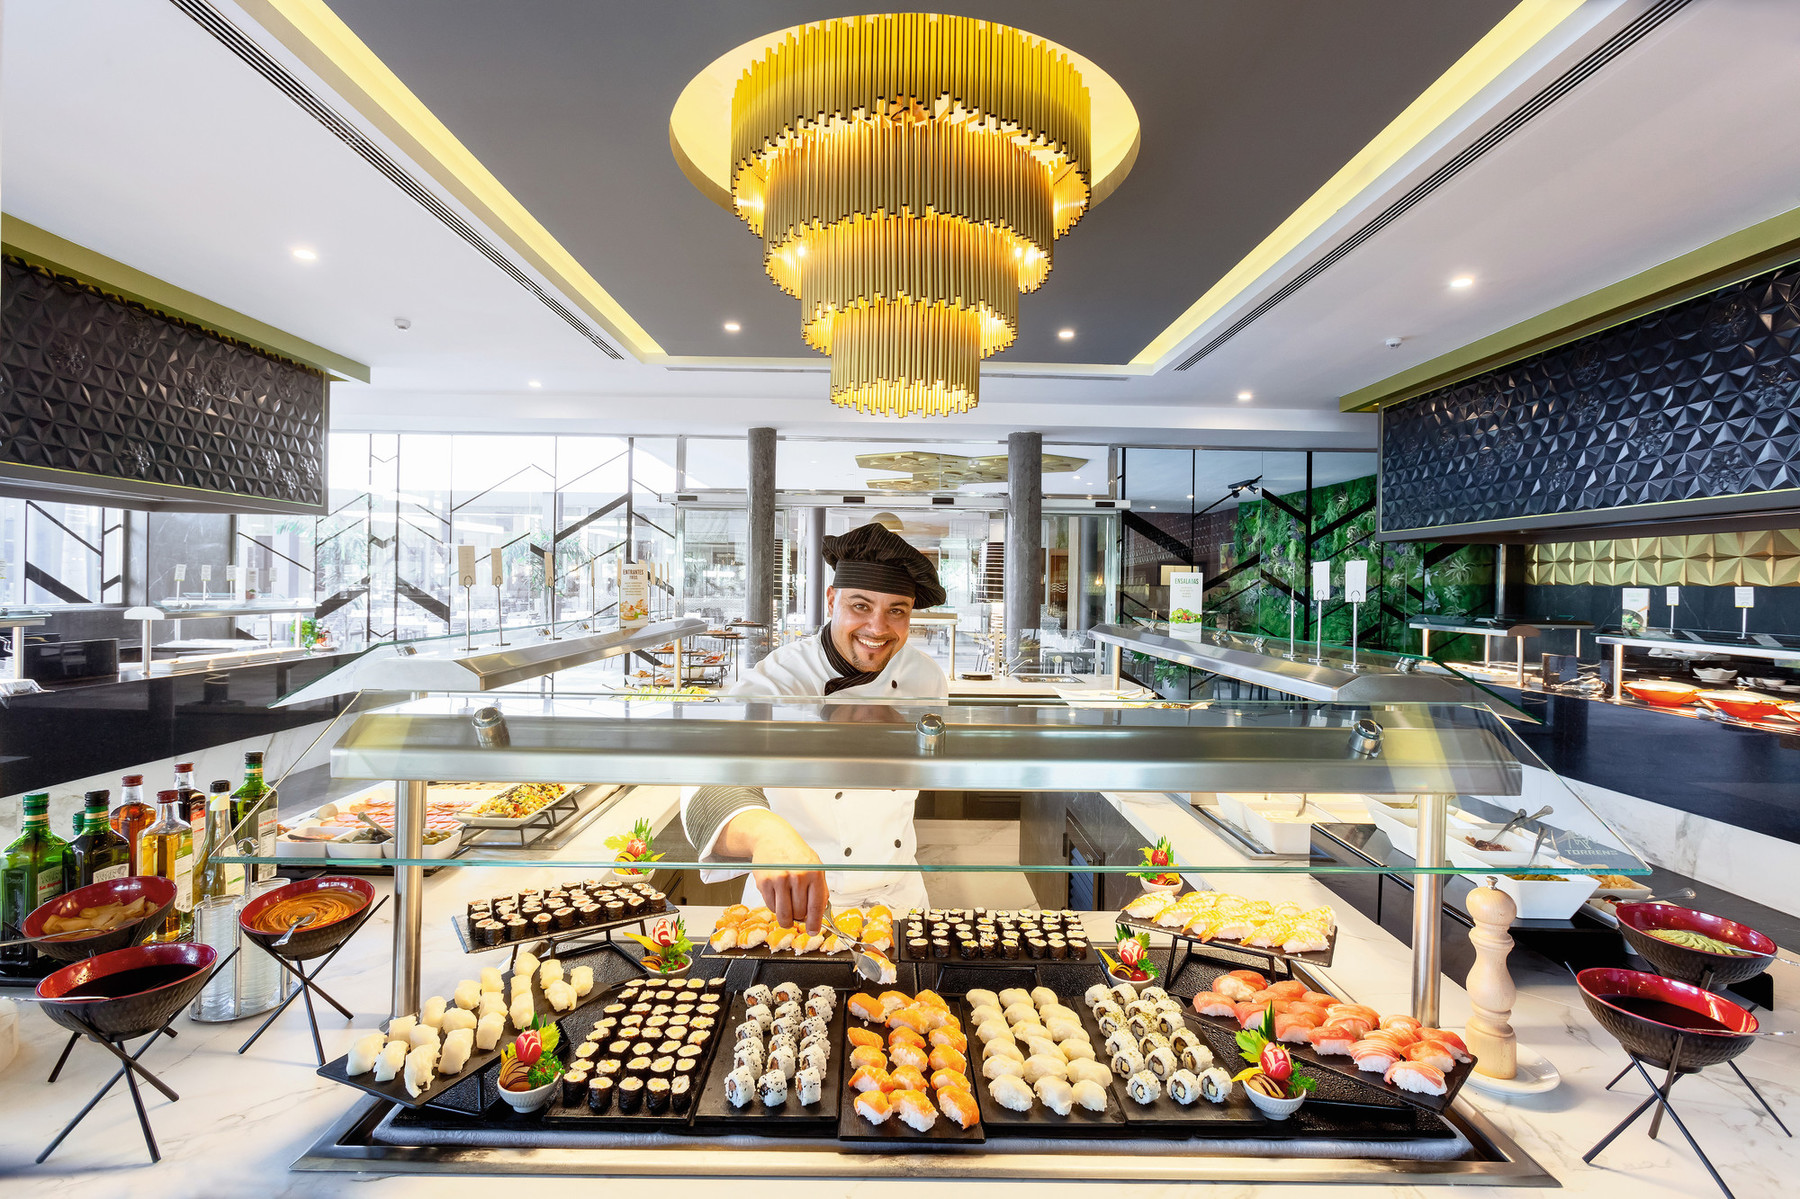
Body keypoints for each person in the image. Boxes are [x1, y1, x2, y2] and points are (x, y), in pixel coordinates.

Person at [680, 522, 949, 932]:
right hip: (796, 904)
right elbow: (705, 780)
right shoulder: (778, 679)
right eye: (861, 606)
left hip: (900, 899)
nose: (878, 628)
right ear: (831, 600)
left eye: (896, 610)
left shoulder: (926, 678)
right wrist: (766, 836)